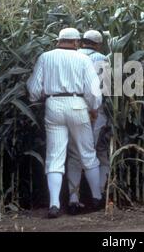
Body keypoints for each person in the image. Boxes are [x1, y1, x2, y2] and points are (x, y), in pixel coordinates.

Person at [26, 27, 103, 218]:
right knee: (87, 152)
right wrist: (93, 107)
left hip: (53, 105)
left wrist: (41, 96)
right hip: (77, 104)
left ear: (59, 40)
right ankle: (97, 198)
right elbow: (93, 92)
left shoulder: (46, 57)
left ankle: (54, 205)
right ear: (76, 42)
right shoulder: (83, 59)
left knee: (55, 155)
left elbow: (34, 88)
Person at [66, 29, 110, 215]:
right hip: (95, 112)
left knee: (75, 156)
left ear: (82, 41)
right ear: (98, 44)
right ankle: (98, 194)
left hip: (72, 108)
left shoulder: (71, 56)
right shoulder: (102, 59)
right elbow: (105, 89)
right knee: (98, 153)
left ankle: (74, 198)